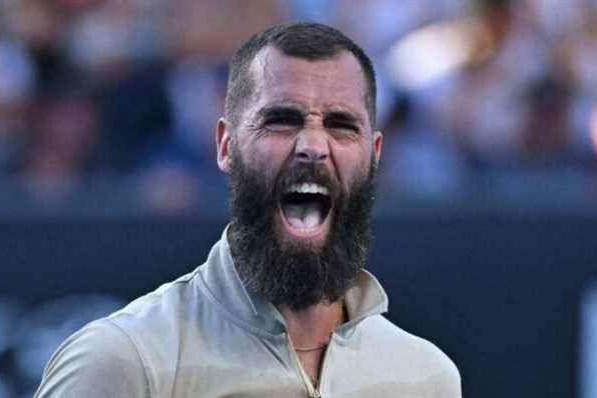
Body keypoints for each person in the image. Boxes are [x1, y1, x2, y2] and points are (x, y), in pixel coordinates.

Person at [34, 22, 461, 397]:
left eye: (341, 125)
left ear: (374, 153)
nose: (313, 146)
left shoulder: (426, 378)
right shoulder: (123, 362)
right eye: (282, 120)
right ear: (226, 144)